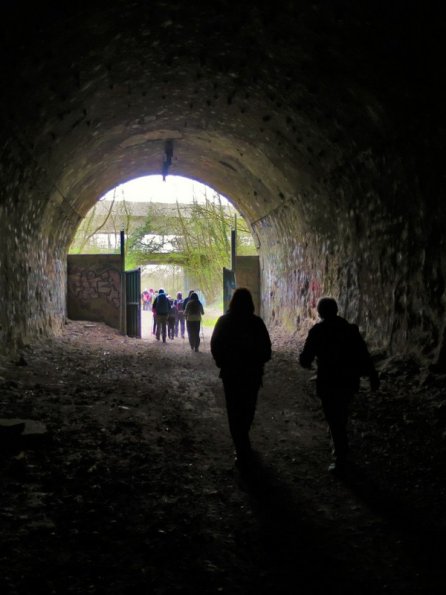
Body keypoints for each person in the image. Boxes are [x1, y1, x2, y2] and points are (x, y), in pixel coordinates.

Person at [299, 296, 380, 473]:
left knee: (333, 417)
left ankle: (340, 456)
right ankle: (340, 449)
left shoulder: (317, 331)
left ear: (320, 312)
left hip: (328, 381)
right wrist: (373, 375)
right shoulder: (350, 329)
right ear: (336, 310)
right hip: (348, 380)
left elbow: (305, 358)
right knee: (341, 414)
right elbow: (363, 354)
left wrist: (306, 362)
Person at [211, 288, 272, 469]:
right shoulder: (256, 323)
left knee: (234, 410)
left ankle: (240, 446)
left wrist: (222, 362)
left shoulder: (224, 321)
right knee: (248, 409)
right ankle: (243, 443)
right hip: (252, 374)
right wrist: (257, 361)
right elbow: (266, 349)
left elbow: (215, 345)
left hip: (231, 374)